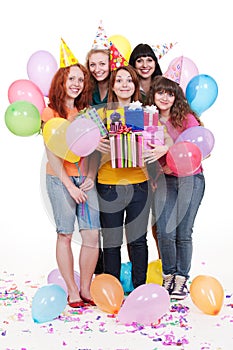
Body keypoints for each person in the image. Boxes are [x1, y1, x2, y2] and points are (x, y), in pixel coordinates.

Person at [96, 64, 166, 289]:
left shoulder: (147, 114)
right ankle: (113, 289)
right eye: (119, 80)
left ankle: (140, 288)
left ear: (135, 85)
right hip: (108, 184)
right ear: (112, 86)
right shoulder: (101, 114)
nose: (124, 84)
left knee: (137, 241)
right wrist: (96, 144)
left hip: (139, 184)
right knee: (112, 241)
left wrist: (158, 147)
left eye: (129, 80)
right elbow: (81, 146)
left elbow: (162, 140)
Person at [41, 63, 100, 307]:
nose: (76, 84)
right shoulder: (49, 113)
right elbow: (52, 153)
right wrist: (69, 186)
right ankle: (72, 290)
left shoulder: (88, 112)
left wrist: (90, 177)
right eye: (71, 78)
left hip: (85, 181)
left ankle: (86, 288)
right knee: (64, 234)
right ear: (61, 82)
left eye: (81, 79)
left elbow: (96, 149)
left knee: (91, 235)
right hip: (59, 179)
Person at [146, 75, 205, 300]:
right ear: (153, 95)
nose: (164, 97)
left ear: (176, 97)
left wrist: (169, 151)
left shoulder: (187, 118)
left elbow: (199, 148)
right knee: (165, 231)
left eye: (170, 93)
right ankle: (168, 274)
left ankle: (181, 278)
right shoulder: (148, 121)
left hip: (191, 179)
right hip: (164, 180)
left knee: (183, 231)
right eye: (160, 92)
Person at [129, 43, 163, 256]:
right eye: (139, 60)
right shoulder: (128, 89)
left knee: (161, 222)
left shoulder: (164, 88)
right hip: (135, 164)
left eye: (149, 59)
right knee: (136, 224)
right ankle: (138, 272)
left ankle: (164, 267)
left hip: (162, 162)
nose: (144, 64)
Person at [85, 48, 111, 274]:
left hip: (120, 164)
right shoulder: (87, 93)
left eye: (102, 64)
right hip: (93, 162)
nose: (97, 69)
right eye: (93, 65)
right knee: (98, 222)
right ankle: (99, 272)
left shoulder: (120, 87)